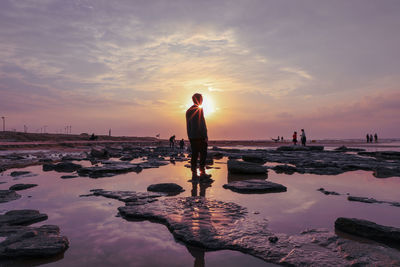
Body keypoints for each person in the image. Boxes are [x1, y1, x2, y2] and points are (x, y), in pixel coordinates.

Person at [186, 93, 210, 178]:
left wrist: (189, 136)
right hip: (200, 136)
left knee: (194, 154)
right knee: (203, 154)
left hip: (192, 136)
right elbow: (202, 123)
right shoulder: (199, 109)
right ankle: (202, 172)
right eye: (201, 99)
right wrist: (205, 136)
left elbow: (188, 125)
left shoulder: (188, 110)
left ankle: (194, 174)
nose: (202, 101)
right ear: (198, 100)